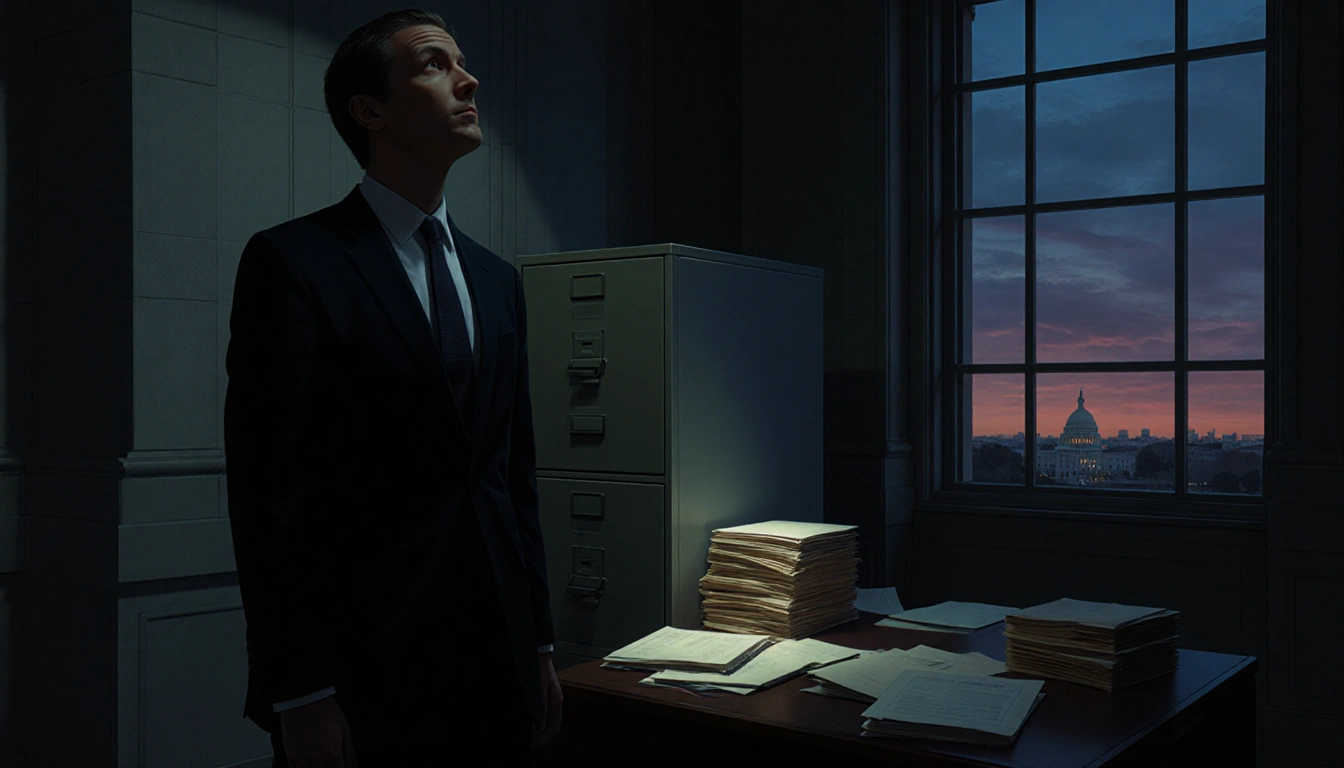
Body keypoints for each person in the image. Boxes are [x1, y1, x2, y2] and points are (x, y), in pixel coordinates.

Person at [223, 8, 561, 767]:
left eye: (462, 62)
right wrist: (300, 690)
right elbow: (269, 495)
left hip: (494, 664)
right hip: (364, 672)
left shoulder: (496, 280)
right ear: (369, 111)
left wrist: (538, 643)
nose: (469, 81)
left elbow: (512, 477)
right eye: (435, 64)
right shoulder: (295, 262)